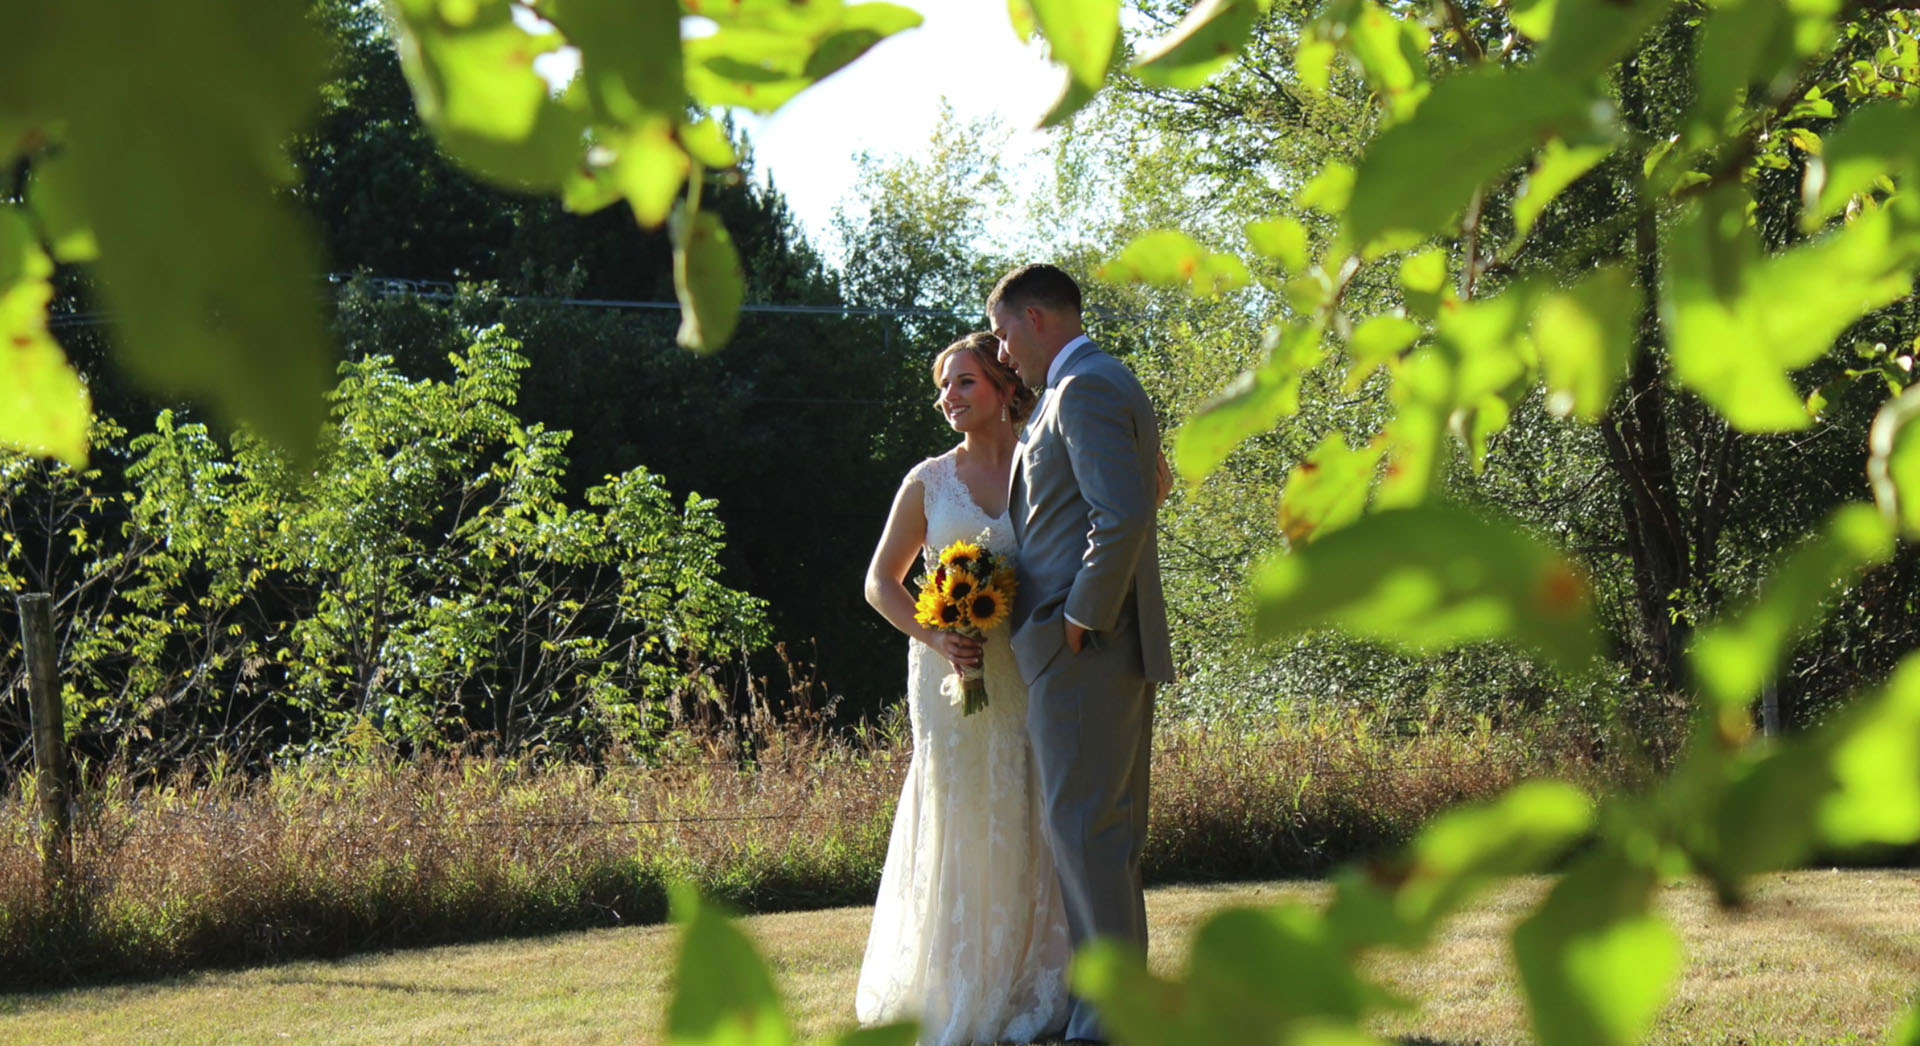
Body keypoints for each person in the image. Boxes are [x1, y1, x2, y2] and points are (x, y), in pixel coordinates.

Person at [855, 331, 1074, 1045]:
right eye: (944, 387)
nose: (949, 398)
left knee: (1027, 805)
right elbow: (880, 582)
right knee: (960, 811)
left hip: (1026, 670)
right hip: (946, 675)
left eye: (965, 383)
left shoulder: (1044, 469)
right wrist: (936, 636)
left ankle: (1031, 977)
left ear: (1008, 387)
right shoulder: (928, 481)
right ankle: (955, 983)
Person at [991, 264, 1174, 1046]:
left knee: (1087, 834)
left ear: (1037, 319)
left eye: (1002, 334)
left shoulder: (1083, 387)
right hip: (1102, 648)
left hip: (1087, 652)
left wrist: (1078, 616)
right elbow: (1152, 486)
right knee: (1105, 836)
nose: (1002, 355)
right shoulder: (1101, 381)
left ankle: (1106, 1025)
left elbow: (1124, 510)